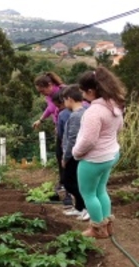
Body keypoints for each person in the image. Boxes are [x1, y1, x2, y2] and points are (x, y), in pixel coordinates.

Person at [73, 66, 125, 239]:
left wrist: (76, 153)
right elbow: (119, 127)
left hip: (94, 159)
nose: (82, 95)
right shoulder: (114, 105)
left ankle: (97, 229)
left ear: (90, 91)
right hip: (111, 154)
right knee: (101, 190)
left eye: (83, 91)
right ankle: (108, 225)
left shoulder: (94, 112)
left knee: (88, 193)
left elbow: (88, 140)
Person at [61, 85, 90, 222]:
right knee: (75, 182)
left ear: (70, 99)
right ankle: (79, 208)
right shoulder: (83, 112)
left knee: (69, 182)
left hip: (74, 155)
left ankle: (86, 208)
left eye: (64, 100)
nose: (64, 104)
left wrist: (66, 157)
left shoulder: (76, 116)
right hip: (77, 154)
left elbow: (73, 139)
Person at [52, 90, 73, 208]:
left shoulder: (63, 114)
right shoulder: (85, 109)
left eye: (59, 105)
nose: (58, 108)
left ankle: (68, 198)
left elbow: (60, 134)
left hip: (67, 147)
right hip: (84, 148)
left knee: (66, 172)